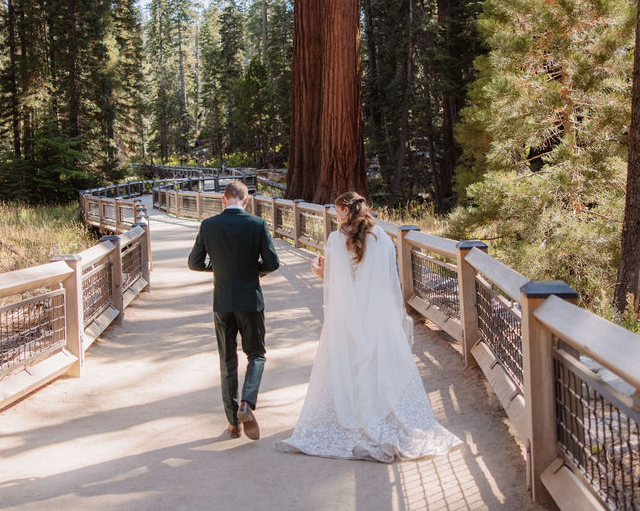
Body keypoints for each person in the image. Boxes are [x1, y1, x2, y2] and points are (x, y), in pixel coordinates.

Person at [277, 191, 461, 462]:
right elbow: (389, 280)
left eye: (338, 210)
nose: (336, 215)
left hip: (348, 316)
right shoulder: (382, 239)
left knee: (349, 362)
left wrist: (319, 271)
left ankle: (357, 411)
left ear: (346, 212)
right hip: (377, 315)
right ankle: (380, 410)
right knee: (377, 362)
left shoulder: (336, 240)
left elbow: (336, 280)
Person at [188, 180, 279, 440]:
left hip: (223, 302)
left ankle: (233, 424)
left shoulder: (209, 225)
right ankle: (247, 404)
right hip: (251, 300)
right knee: (256, 355)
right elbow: (272, 262)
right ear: (246, 200)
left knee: (227, 360)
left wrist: (218, 269)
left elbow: (194, 263)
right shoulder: (257, 224)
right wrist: (252, 271)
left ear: (223, 199)